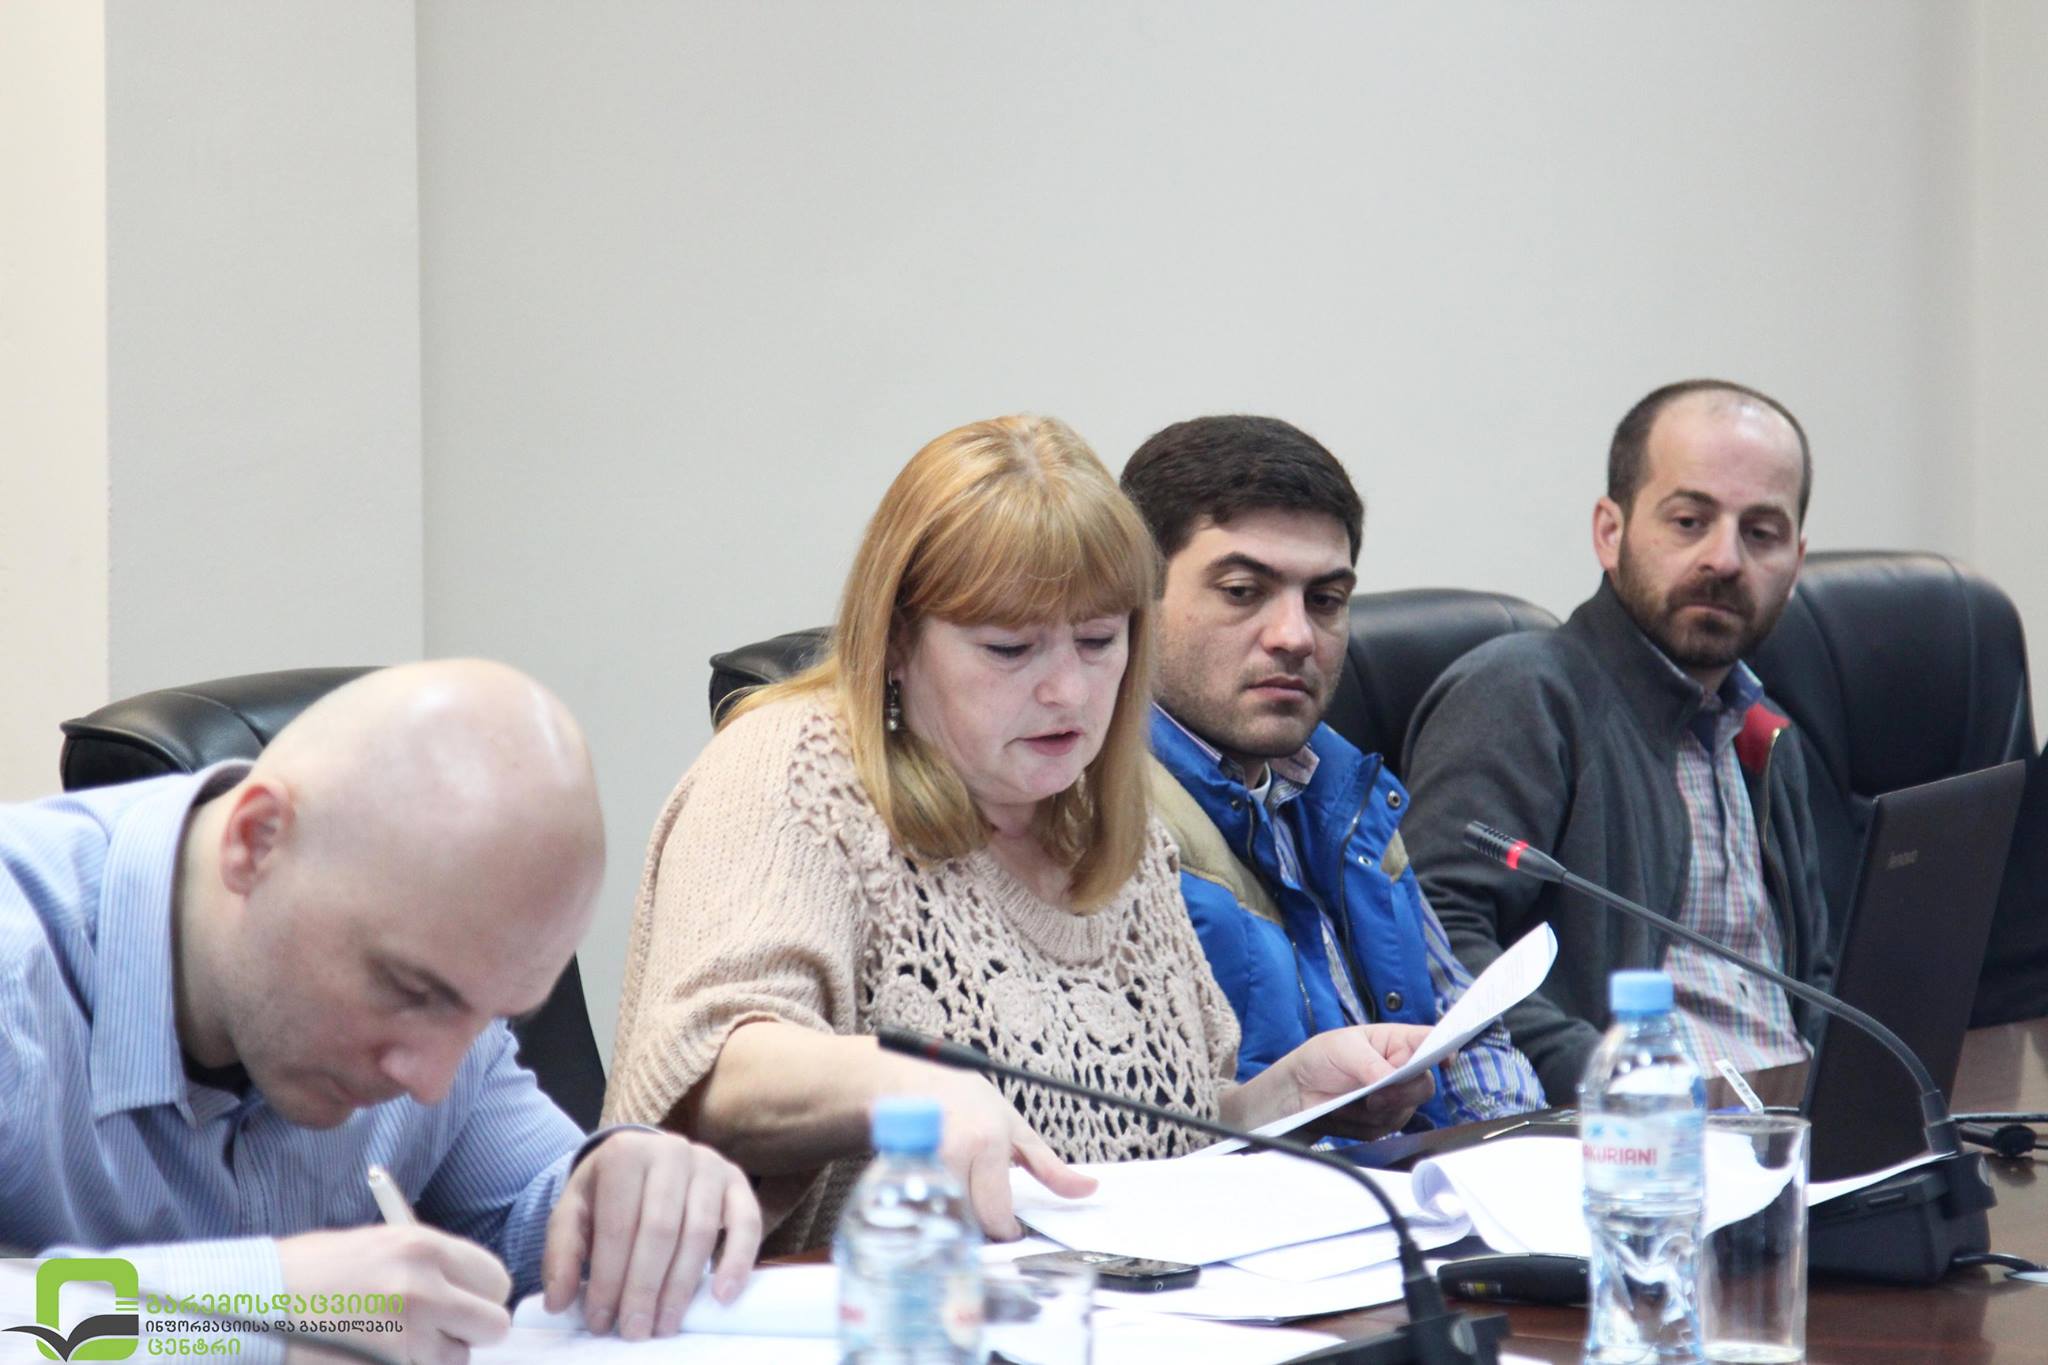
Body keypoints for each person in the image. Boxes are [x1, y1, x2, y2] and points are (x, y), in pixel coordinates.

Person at [604, 414, 1437, 1253]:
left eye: (1098, 640)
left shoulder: (1109, 826)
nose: (1068, 691)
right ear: (897, 640)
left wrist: (1285, 1101)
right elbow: (713, 1071)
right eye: (1010, 648)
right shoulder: (792, 767)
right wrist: (906, 1087)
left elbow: (1150, 1135)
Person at [0, 661, 761, 1361]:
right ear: (257, 840)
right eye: (409, 990)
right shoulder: (16, 957)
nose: (429, 1081)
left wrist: (625, 1193)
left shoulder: (439, 1006)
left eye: (485, 1015)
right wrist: (260, 1302)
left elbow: (527, 1221)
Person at [1401, 380, 1834, 1102]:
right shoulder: (1524, 694)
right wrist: (1615, 1082)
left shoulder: (1766, 734)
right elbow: (1435, 934)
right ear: (1610, 531)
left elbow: (1813, 981)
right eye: (1689, 521)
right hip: (1634, 1141)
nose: (1725, 559)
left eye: (1761, 533)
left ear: (1796, 562)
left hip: (1794, 1125)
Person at [1119, 415, 1545, 1128]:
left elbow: (1464, 1035)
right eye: (1242, 591)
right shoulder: (1097, 817)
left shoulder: (1345, 787)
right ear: (1136, 595)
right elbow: (1146, 1131)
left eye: (1324, 601)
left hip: (1423, 1187)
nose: (1295, 637)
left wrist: (1515, 1156)